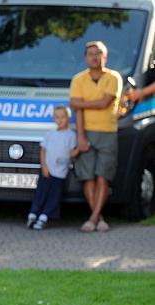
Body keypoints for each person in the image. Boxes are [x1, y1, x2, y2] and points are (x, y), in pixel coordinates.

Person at [69, 41, 121, 233]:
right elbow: (77, 110)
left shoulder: (113, 77)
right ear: (85, 58)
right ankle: (98, 218)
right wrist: (81, 137)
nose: (94, 57)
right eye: (90, 54)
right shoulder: (78, 80)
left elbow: (104, 103)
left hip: (108, 132)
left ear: (104, 57)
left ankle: (93, 218)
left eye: (98, 53)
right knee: (87, 176)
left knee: (103, 176)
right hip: (86, 131)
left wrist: (81, 103)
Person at [27, 105, 78, 230]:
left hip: (60, 172)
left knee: (54, 195)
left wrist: (80, 149)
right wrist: (44, 166)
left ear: (68, 118)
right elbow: (43, 151)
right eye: (57, 117)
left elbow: (72, 153)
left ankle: (44, 216)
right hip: (47, 170)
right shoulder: (50, 134)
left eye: (62, 117)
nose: (60, 120)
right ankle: (33, 214)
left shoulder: (71, 135)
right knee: (41, 192)